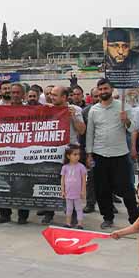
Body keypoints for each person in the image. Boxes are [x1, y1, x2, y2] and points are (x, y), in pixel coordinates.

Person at [85, 78, 139, 229]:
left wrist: (126, 120)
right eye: (100, 89)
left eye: (106, 89)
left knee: (126, 187)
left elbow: (133, 128)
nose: (103, 92)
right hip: (99, 154)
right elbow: (90, 133)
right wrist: (89, 154)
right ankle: (107, 217)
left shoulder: (123, 107)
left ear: (112, 89)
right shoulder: (94, 110)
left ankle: (134, 217)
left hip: (120, 154)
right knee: (102, 188)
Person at [40, 86, 86, 224]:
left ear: (64, 97)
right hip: (51, 151)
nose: (51, 97)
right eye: (50, 94)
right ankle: (49, 212)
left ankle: (71, 213)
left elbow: (82, 130)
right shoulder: (47, 108)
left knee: (71, 184)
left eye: (54, 95)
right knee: (49, 181)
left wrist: (72, 117)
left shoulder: (75, 110)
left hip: (70, 151)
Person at [0, 83, 32, 224]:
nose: (15, 95)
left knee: (24, 184)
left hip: (24, 153)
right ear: (9, 94)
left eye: (18, 93)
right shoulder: (0, 110)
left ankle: (23, 215)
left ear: (23, 95)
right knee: (4, 183)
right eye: (13, 92)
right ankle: (5, 214)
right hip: (6, 152)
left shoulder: (31, 110)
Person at [61, 145, 87, 229]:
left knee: (79, 208)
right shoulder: (65, 167)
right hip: (68, 192)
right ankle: (68, 223)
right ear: (68, 156)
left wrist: (83, 191)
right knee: (69, 208)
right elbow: (62, 180)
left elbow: (84, 180)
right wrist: (63, 191)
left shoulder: (81, 167)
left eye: (78, 154)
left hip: (77, 193)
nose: (77, 156)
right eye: (74, 154)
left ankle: (80, 224)